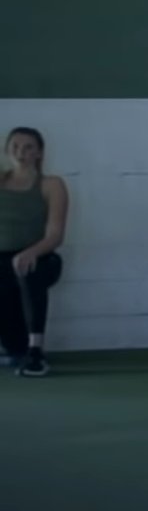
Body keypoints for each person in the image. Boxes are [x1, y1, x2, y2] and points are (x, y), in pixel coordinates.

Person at [0, 127, 67, 378]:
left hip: (40, 256)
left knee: (30, 269)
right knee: (13, 345)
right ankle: (18, 349)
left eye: (28, 147)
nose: (21, 152)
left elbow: (55, 235)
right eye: (15, 147)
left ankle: (36, 353)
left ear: (38, 153)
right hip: (2, 261)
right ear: (7, 151)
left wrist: (30, 252)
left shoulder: (51, 184)